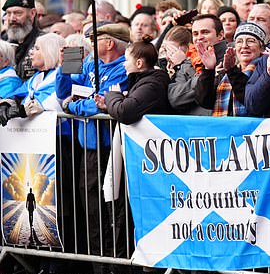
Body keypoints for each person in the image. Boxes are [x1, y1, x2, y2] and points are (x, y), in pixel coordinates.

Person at [55, 23, 129, 259]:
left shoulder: (123, 67)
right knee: (91, 207)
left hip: (110, 147)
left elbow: (101, 102)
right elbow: (64, 92)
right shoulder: (89, 63)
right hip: (87, 145)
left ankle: (114, 263)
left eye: (95, 40)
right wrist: (65, 66)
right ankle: (98, 266)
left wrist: (72, 106)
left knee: (110, 207)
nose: (90, 45)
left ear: (110, 43)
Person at [94, 36, 171, 124]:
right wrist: (109, 106)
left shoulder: (152, 85)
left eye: (126, 60)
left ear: (139, 63)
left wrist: (113, 95)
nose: (124, 64)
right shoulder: (144, 81)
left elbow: (124, 112)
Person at [194, 22, 266, 116]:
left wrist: (232, 71)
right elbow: (205, 101)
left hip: (253, 129)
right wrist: (208, 70)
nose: (244, 46)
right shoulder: (226, 72)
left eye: (251, 41)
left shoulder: (266, 71)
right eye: (239, 41)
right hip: (223, 128)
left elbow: (252, 100)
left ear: (261, 48)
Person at [0, 33, 66, 125]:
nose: (31, 52)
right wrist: (6, 103)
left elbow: (46, 100)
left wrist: (22, 110)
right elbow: (18, 94)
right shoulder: (36, 77)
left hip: (58, 134)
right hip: (37, 133)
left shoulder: (61, 76)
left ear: (50, 52)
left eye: (37, 48)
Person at [167, 15, 225, 115]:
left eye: (205, 32)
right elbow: (175, 99)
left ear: (220, 35)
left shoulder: (232, 59)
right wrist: (206, 74)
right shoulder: (187, 63)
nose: (199, 37)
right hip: (194, 127)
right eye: (195, 34)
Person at [2, 0, 45, 80]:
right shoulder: (3, 41)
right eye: (9, 13)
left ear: (33, 13)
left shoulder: (44, 41)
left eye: (18, 13)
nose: (12, 18)